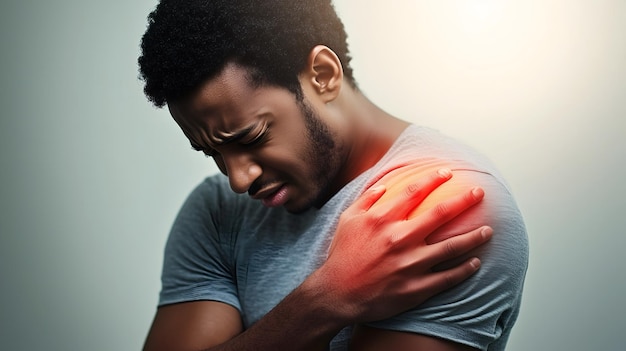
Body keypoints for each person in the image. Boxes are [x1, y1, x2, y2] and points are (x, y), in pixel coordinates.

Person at [138, 1, 529, 350]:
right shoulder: (217, 209)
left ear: (323, 75)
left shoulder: (446, 202)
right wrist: (324, 301)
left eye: (251, 137)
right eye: (212, 153)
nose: (238, 180)